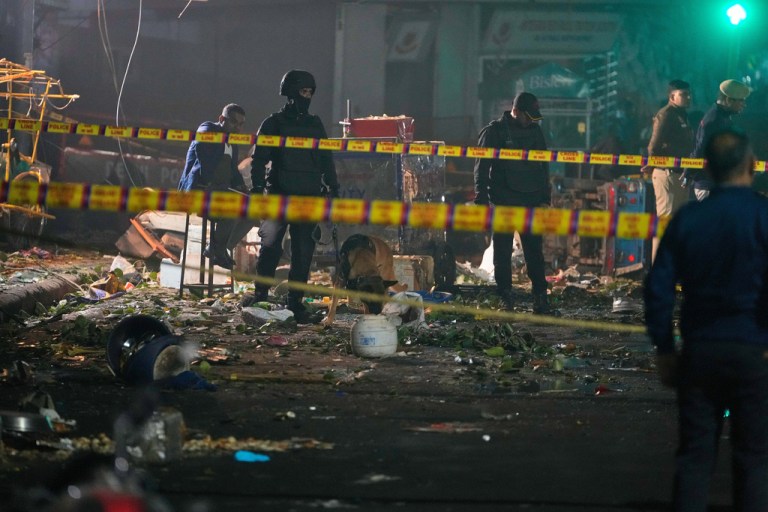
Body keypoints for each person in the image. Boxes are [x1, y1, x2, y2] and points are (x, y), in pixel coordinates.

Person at [644, 130, 768, 511]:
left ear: (708, 168)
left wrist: (665, 348)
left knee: (695, 457)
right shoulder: (764, 216)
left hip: (699, 353)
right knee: (754, 459)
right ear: (751, 167)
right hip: (754, 354)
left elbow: (658, 288)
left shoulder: (688, 219)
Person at [248, 70, 339, 324]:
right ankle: (260, 297)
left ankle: (295, 304)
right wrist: (257, 190)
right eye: (303, 92)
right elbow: (259, 160)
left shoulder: (315, 124)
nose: (307, 97)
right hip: (279, 195)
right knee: (270, 248)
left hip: (307, 198)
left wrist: (333, 186)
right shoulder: (273, 123)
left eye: (310, 93)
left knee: (303, 252)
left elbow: (325, 158)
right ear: (290, 93)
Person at [473, 91, 554, 314]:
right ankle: (505, 300)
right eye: (527, 117)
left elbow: (544, 165)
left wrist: (546, 199)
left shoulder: (535, 132)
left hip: (531, 202)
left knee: (535, 254)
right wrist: (481, 201)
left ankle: (541, 300)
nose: (530, 122)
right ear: (515, 111)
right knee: (501, 254)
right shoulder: (494, 132)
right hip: (504, 202)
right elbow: (482, 168)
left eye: (534, 118)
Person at [178, 103, 254, 269]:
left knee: (253, 212)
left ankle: (218, 247)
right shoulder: (207, 129)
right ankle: (218, 250)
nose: (238, 128)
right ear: (221, 119)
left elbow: (233, 171)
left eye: (241, 124)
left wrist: (243, 188)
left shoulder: (233, 143)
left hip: (222, 191)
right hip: (201, 190)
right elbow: (203, 147)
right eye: (234, 122)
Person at [643, 79, 694, 262]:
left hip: (679, 175)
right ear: (672, 96)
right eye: (683, 94)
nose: (688, 97)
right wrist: (653, 162)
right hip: (667, 174)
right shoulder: (665, 115)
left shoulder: (682, 115)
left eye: (689, 94)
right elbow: (653, 145)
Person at [688, 79, 750, 201]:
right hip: (709, 185)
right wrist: (689, 168)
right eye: (741, 100)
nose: (744, 104)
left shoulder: (723, 118)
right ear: (728, 100)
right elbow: (701, 148)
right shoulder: (714, 120)